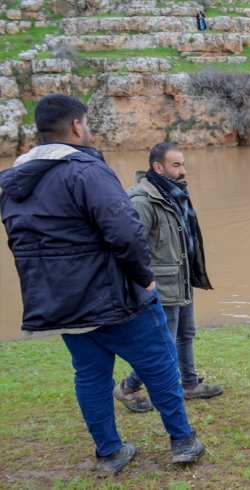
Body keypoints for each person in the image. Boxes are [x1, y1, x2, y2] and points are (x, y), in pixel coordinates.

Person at [0, 94, 204, 476]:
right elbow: (125, 232)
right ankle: (182, 441)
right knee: (159, 363)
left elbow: (22, 243)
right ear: (77, 126)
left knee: (90, 375)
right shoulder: (86, 170)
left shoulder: (13, 183)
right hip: (113, 299)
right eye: (87, 124)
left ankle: (110, 452)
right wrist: (144, 279)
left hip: (59, 304)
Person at [114, 142, 222, 413]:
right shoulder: (141, 200)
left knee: (186, 333)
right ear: (158, 167)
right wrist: (145, 284)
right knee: (164, 343)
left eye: (183, 164)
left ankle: (189, 383)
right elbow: (130, 246)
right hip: (160, 285)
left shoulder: (174, 194)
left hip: (181, 278)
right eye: (177, 165)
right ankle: (127, 388)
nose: (183, 171)